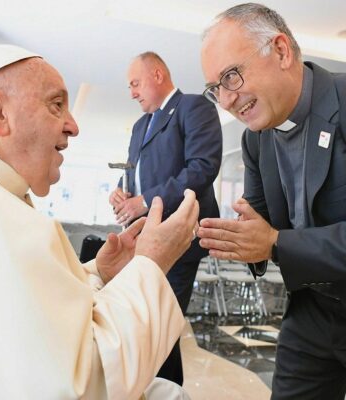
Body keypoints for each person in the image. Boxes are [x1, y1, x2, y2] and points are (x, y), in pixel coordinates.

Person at [0, 44, 199, 400]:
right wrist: (152, 261)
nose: (73, 126)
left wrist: (97, 272)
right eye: (56, 105)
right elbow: (88, 383)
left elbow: (38, 322)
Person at [199, 3, 346, 399]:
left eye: (231, 76)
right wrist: (225, 235)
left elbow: (273, 239)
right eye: (215, 89)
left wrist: (276, 242)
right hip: (311, 310)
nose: (226, 100)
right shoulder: (255, 140)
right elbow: (258, 225)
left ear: (280, 51)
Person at [109, 51, 222, 385]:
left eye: (135, 83)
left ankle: (164, 389)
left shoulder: (193, 107)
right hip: (141, 239)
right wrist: (122, 191)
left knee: (159, 324)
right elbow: (136, 171)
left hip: (178, 238)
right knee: (148, 323)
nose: (132, 93)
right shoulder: (139, 125)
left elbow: (201, 168)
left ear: (157, 75)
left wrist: (145, 201)